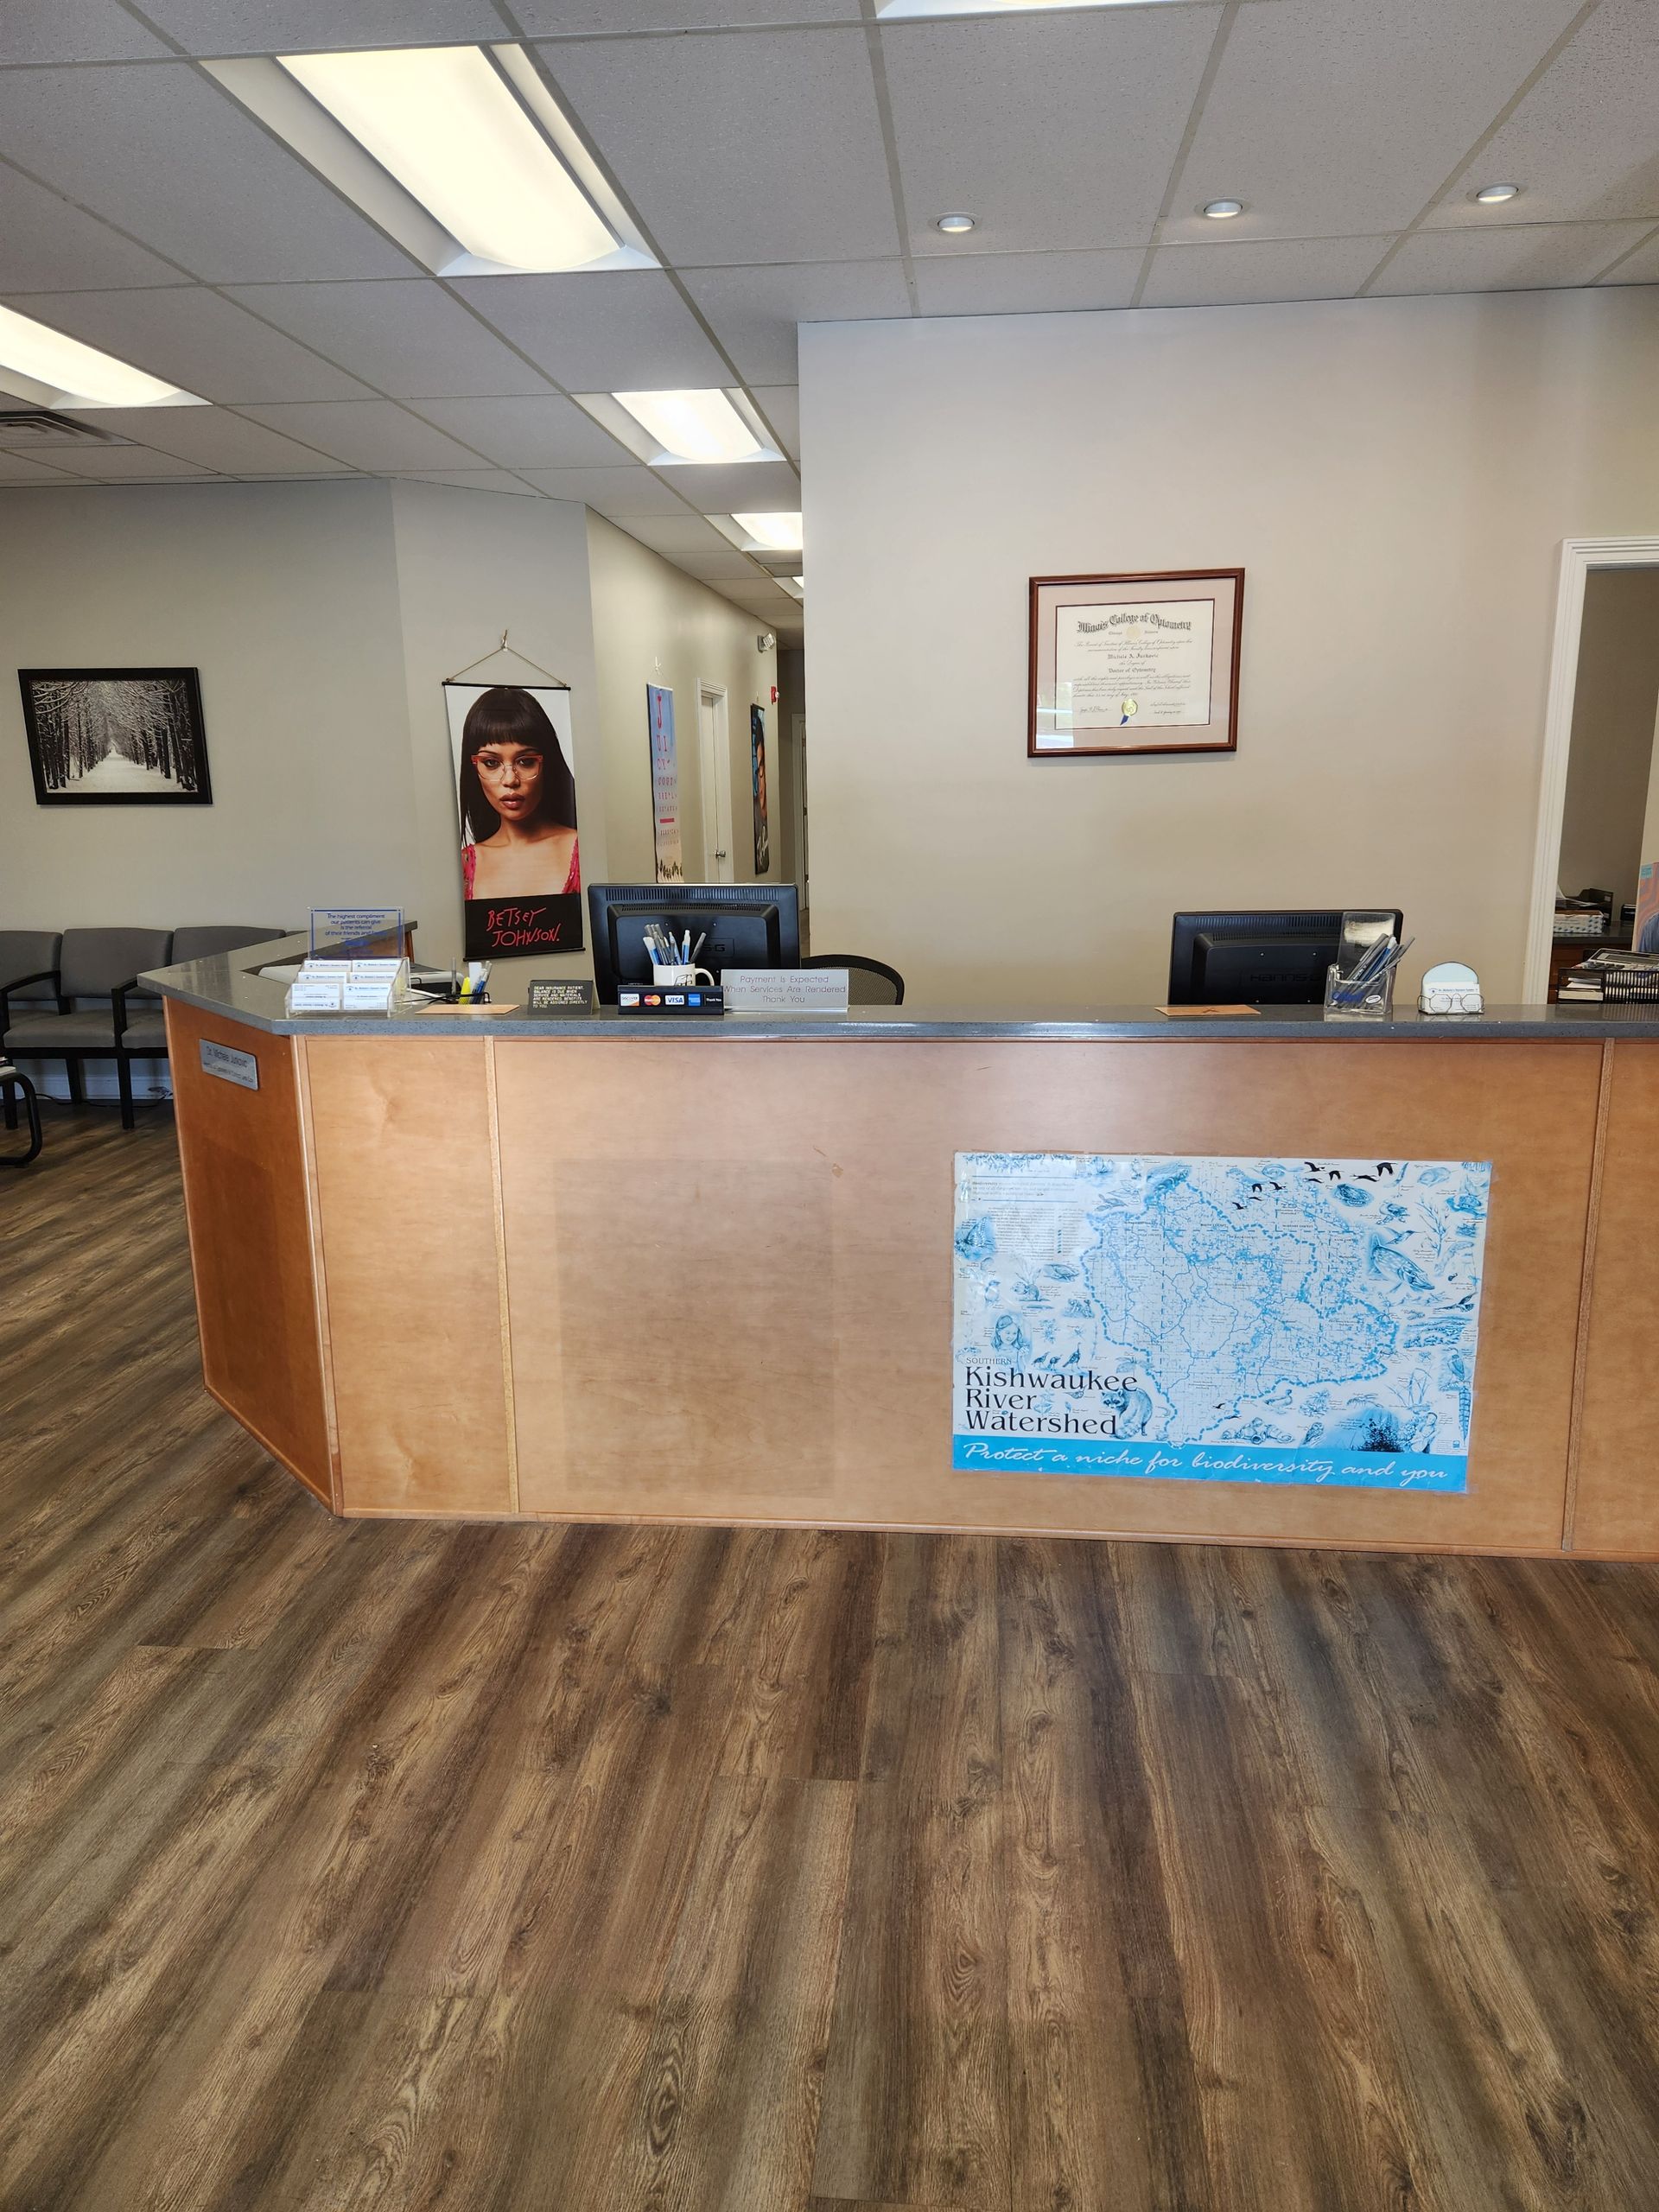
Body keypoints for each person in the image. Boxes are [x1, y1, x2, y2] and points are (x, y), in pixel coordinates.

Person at [457, 688, 579, 901]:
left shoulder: (581, 849)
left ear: (546, 764)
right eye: (491, 763)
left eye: (525, 761)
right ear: (475, 768)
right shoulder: (463, 866)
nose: (510, 780)